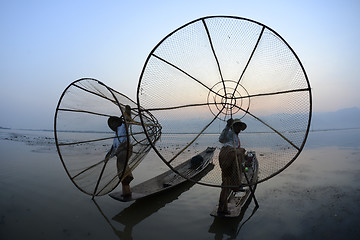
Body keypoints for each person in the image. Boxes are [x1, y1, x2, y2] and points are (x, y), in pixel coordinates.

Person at [217, 118, 247, 214]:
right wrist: (227, 126)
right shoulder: (230, 133)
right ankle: (222, 207)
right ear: (233, 126)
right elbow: (221, 139)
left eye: (239, 126)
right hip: (228, 153)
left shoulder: (236, 136)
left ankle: (222, 208)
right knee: (241, 151)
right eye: (236, 125)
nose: (238, 128)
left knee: (226, 183)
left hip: (232, 157)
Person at [106, 105, 134, 197]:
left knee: (122, 171)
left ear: (117, 122)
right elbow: (113, 147)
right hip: (120, 153)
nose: (112, 125)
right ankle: (127, 191)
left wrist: (127, 111)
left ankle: (126, 191)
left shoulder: (122, 126)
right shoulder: (116, 133)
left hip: (125, 149)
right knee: (121, 171)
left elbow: (128, 120)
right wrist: (108, 155)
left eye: (113, 123)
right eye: (111, 124)